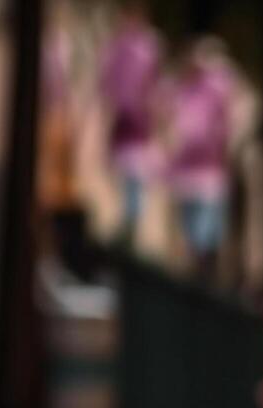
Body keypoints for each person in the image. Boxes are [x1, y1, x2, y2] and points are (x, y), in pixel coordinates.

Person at [164, 37, 238, 280]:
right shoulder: (191, 93)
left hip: (203, 175)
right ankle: (200, 269)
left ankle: (201, 269)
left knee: (202, 231)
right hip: (199, 175)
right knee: (200, 231)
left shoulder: (198, 92)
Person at [98, 4, 161, 244]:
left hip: (137, 123)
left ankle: (131, 226)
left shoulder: (145, 47)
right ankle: (128, 223)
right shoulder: (119, 46)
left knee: (134, 176)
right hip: (124, 121)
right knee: (125, 175)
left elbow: (149, 84)